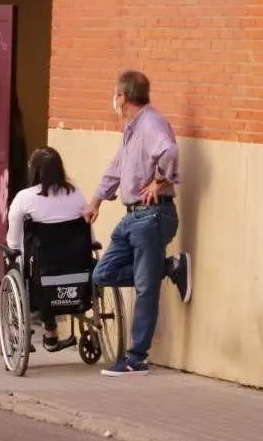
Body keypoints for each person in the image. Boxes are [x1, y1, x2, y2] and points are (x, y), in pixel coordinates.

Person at [82, 70, 192, 377]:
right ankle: (169, 267)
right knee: (103, 273)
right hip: (131, 217)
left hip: (152, 216)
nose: (113, 100)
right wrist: (96, 201)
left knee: (145, 288)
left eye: (115, 94)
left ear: (123, 97)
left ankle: (136, 358)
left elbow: (169, 151)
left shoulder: (151, 123)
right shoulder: (131, 128)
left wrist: (160, 181)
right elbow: (115, 169)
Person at [7, 147, 93, 352]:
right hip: (77, 273)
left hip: (40, 278)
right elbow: (91, 237)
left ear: (34, 171)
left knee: (13, 259)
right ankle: (51, 333)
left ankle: (42, 330)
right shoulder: (77, 195)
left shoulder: (24, 198)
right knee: (51, 268)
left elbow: (13, 243)